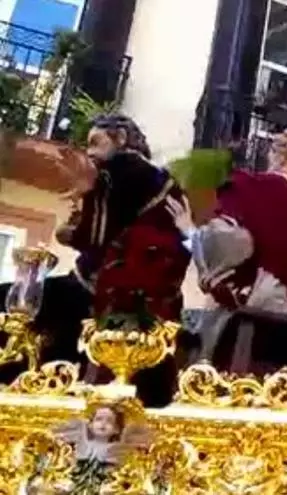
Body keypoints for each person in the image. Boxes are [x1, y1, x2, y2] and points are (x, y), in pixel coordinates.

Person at [0, 114, 191, 406]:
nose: (89, 152)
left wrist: (70, 233)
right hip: (154, 302)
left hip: (103, 290)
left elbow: (96, 236)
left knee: (18, 311)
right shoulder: (163, 180)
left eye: (95, 143)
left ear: (121, 139)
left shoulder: (115, 171)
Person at [166, 128, 287, 362]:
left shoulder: (254, 189)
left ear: (275, 157)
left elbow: (227, 242)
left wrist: (190, 232)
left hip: (257, 322)